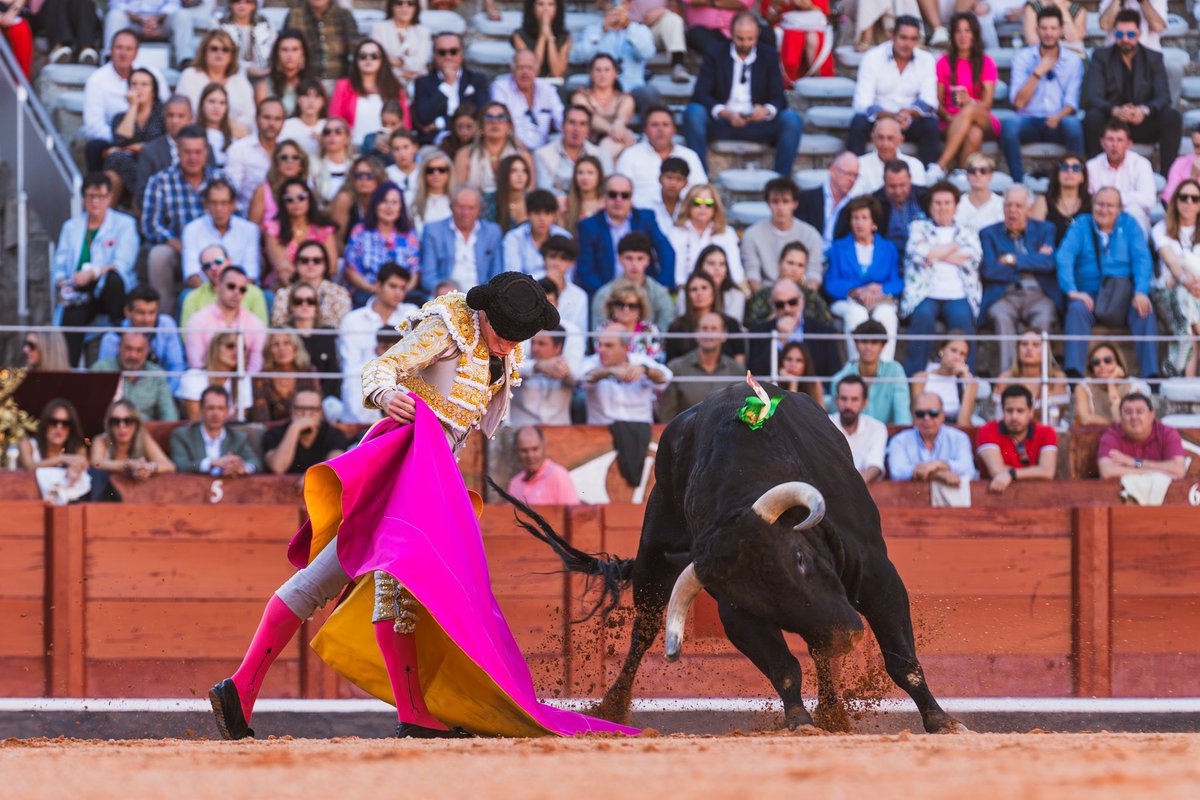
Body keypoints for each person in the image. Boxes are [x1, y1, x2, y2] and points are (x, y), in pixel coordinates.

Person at [210, 273, 633, 741]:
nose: (508, 345)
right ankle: (412, 715)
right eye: (504, 333)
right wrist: (385, 395)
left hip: (434, 478)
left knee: (337, 583)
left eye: (518, 337)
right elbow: (380, 368)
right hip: (403, 463)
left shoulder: (508, 348)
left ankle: (242, 688)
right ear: (486, 312)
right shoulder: (448, 326)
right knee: (393, 585)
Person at [683, 12, 804, 181]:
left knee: (792, 120)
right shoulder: (715, 53)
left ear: (757, 35)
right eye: (740, 39)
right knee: (693, 112)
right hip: (723, 121)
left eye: (750, 39)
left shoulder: (768, 55)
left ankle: (779, 183)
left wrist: (766, 111)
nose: (746, 44)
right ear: (731, 34)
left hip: (756, 123)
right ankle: (700, 179)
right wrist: (726, 113)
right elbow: (700, 94)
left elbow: (779, 98)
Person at [1056, 186, 1158, 379]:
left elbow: (1142, 259)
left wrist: (1141, 291)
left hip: (1122, 294)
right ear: (1092, 205)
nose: (1104, 210)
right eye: (1099, 204)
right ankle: (1074, 375)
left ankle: (1150, 374)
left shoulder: (1130, 225)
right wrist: (1072, 291)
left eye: (1110, 205)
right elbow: (1064, 256)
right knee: (1077, 309)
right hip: (1090, 293)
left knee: (1144, 309)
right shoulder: (1081, 224)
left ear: (1120, 208)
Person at [53, 173, 139, 366]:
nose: (95, 202)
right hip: (80, 290)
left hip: (110, 290)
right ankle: (69, 371)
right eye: (90, 196)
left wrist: (94, 273)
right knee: (72, 315)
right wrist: (62, 281)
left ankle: (118, 331)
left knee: (114, 279)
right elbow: (59, 265)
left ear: (110, 197)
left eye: (100, 196)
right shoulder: (71, 227)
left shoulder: (125, 224)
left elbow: (124, 262)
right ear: (83, 198)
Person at [1082, 9, 1181, 175]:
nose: (1125, 39)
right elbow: (1092, 96)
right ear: (1114, 34)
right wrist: (1115, 110)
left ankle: (1167, 180)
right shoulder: (1101, 57)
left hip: (1142, 123)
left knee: (1171, 117)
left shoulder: (1154, 58)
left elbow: (1163, 96)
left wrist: (1143, 110)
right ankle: (1095, 176)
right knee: (1092, 117)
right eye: (1120, 34)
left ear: (1139, 33)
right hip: (1111, 122)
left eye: (1130, 34)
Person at [141, 125, 226, 314]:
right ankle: (164, 318)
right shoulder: (161, 180)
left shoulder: (221, 178)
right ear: (177, 152)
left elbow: (234, 218)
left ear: (206, 152)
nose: (193, 157)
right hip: (178, 250)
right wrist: (175, 242)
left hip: (218, 251)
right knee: (158, 256)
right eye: (187, 152)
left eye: (198, 152)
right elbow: (150, 224)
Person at [901, 181, 982, 377]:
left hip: (958, 293)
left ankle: (964, 379)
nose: (942, 207)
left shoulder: (967, 229)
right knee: (923, 317)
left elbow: (974, 258)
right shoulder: (918, 227)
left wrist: (935, 252)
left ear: (955, 206)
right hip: (925, 293)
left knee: (963, 320)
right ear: (930, 206)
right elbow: (919, 254)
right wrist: (955, 247)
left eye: (947, 203)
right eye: (937, 203)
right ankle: (914, 378)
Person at [979, 185, 1062, 373]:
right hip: (1005, 295)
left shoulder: (1045, 230)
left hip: (1038, 295)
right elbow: (990, 270)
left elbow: (1049, 264)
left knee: (1045, 317)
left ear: (1029, 209)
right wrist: (1033, 261)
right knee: (1000, 316)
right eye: (1008, 205)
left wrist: (1012, 260)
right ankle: (1007, 377)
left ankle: (1042, 378)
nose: (1012, 211)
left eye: (1018, 206)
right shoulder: (989, 233)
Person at [1002, 5, 1085, 183]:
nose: (1049, 33)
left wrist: (1058, 116)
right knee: (1009, 126)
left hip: (1058, 120)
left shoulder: (1073, 61)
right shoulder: (1022, 58)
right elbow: (1018, 103)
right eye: (1044, 28)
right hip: (1029, 120)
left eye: (1053, 28)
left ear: (1061, 30)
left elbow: (1072, 102)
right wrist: (1037, 73)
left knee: (1074, 125)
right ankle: (1018, 183)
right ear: (1037, 30)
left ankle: (1077, 180)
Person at [848, 17, 940, 167]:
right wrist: (891, 117)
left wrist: (909, 113)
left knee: (931, 125)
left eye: (913, 39)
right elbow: (862, 103)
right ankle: (853, 171)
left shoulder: (926, 59)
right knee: (858, 122)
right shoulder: (872, 58)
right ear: (892, 35)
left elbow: (930, 102)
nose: (907, 44)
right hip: (879, 120)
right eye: (903, 37)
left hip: (909, 121)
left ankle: (926, 176)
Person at [338, 263, 420, 423]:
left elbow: (417, 362)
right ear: (378, 285)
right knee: (353, 379)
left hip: (403, 384)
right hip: (360, 391)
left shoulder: (411, 313)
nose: (398, 293)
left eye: (403, 288)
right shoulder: (353, 320)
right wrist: (379, 356)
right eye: (393, 286)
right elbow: (349, 367)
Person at [825, 195, 902, 362]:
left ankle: (885, 367)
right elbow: (831, 282)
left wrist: (880, 289)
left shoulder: (888, 248)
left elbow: (896, 281)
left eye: (864, 218)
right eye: (855, 218)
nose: (859, 223)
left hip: (880, 300)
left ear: (873, 223)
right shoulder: (838, 247)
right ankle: (856, 367)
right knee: (856, 313)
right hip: (848, 301)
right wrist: (857, 290)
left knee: (887, 314)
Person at [82, 29, 169, 173]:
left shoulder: (152, 74)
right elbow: (93, 126)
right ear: (110, 50)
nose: (123, 53)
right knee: (94, 148)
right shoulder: (96, 80)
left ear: (136, 53)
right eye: (119, 48)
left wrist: (144, 144)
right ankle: (97, 191)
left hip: (151, 134)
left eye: (129, 49)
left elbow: (165, 108)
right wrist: (122, 143)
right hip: (113, 134)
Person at [575, 174, 677, 295]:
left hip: (644, 293)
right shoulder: (588, 226)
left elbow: (666, 250)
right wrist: (609, 294)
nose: (619, 199)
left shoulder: (645, 219)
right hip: (606, 294)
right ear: (604, 196)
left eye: (625, 195)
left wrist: (661, 286)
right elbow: (585, 270)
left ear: (631, 198)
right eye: (613, 194)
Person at [928, 13, 997, 180]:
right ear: (952, 35)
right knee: (974, 133)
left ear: (975, 34)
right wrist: (951, 117)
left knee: (971, 108)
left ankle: (940, 165)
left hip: (982, 117)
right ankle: (961, 172)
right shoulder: (943, 63)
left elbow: (986, 104)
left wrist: (970, 102)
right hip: (950, 120)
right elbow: (938, 103)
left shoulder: (986, 62)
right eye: (958, 31)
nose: (963, 35)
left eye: (968, 31)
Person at [741, 178, 825, 295]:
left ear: (795, 204)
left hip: (800, 294)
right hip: (766, 293)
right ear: (768, 204)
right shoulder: (752, 234)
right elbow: (752, 273)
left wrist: (804, 299)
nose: (780, 208)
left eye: (785, 201)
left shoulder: (810, 235)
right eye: (775, 202)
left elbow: (814, 273)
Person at [98, 285, 187, 394]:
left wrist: (164, 396)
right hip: (123, 394)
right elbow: (106, 376)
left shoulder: (166, 324)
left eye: (152, 312)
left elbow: (176, 367)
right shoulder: (112, 338)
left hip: (161, 390)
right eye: (141, 313)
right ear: (127, 312)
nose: (147, 319)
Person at [344, 181, 422, 306]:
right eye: (384, 201)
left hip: (401, 294)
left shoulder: (409, 235)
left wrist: (400, 291)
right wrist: (374, 289)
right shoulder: (360, 231)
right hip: (367, 292)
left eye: (394, 202)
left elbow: (414, 272)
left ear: (401, 207)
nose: (389, 207)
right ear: (375, 205)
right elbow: (351, 270)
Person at [747, 278, 842, 379]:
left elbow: (834, 374)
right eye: (780, 305)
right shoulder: (758, 331)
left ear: (802, 301)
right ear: (773, 307)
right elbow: (755, 373)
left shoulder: (823, 331)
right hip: (773, 392)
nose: (787, 309)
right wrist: (780, 340)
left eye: (792, 302)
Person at [1152, 180, 1200, 376]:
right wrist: (1185, 280)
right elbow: (1170, 261)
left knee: (1188, 330)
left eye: (1195, 198)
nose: (1188, 202)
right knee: (1183, 297)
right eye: (1183, 197)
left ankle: (1183, 380)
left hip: (1194, 293)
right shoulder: (1161, 228)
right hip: (1169, 292)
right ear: (1175, 201)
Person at [579, 323, 673, 424]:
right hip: (602, 432)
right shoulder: (592, 362)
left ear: (626, 348)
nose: (601, 350)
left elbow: (666, 377)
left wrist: (645, 370)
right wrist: (610, 371)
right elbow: (582, 377)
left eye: (608, 346)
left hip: (640, 430)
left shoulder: (640, 360)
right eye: (600, 344)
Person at [614, 107, 707, 209]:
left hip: (682, 218)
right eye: (654, 125)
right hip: (641, 218)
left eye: (665, 125)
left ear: (674, 130)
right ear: (645, 130)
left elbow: (701, 191)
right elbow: (620, 190)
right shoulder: (630, 155)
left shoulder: (689, 156)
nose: (660, 129)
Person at [659, 311, 743, 420]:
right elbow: (667, 416)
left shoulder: (737, 371)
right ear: (696, 333)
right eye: (704, 328)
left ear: (724, 335)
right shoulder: (676, 368)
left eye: (714, 329)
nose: (708, 333)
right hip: (686, 435)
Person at [419, 186, 505, 294]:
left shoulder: (492, 232)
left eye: (471, 208)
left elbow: (497, 273)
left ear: (480, 209)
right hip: (446, 296)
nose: (466, 213)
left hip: (482, 296)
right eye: (461, 207)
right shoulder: (433, 231)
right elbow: (428, 276)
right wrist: (441, 288)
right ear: (451, 207)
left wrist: (486, 294)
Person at [975, 384, 1058, 493]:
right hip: (995, 496)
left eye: (1020, 411)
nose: (1014, 416)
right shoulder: (987, 430)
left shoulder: (1046, 432)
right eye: (1009, 411)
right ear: (1002, 411)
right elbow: (996, 471)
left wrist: (1011, 474)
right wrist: (1034, 472)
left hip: (1036, 496)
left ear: (1031, 411)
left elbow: (1047, 471)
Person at [454, 104, 535, 214]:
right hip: (474, 215)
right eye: (488, 118)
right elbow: (459, 193)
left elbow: (529, 193)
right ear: (481, 126)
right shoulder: (465, 155)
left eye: (501, 117)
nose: (495, 122)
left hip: (515, 213)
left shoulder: (522, 156)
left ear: (508, 125)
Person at [184, 264, 266, 375]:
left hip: (244, 384)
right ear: (218, 286)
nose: (237, 292)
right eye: (231, 286)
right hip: (206, 382)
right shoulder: (198, 321)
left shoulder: (256, 324)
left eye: (242, 289)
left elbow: (256, 369)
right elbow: (197, 365)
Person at [181, 179, 262, 290]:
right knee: (185, 296)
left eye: (224, 203)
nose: (219, 209)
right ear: (206, 204)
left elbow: (251, 274)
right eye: (214, 203)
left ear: (233, 204)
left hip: (240, 292)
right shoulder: (192, 229)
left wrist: (231, 294)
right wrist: (216, 296)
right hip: (205, 291)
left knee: (266, 297)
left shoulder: (249, 230)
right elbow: (192, 274)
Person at [100, 67, 163, 208]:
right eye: (134, 84)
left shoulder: (162, 115)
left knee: (116, 157)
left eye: (144, 84)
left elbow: (161, 144)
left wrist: (140, 148)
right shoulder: (120, 118)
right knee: (115, 163)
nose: (138, 89)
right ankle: (143, 194)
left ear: (153, 90)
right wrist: (133, 107)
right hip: (129, 167)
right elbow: (120, 140)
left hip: (156, 166)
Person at [411, 32, 490, 145]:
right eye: (442, 52)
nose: (448, 57)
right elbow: (424, 117)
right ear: (434, 55)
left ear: (462, 53)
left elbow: (481, 115)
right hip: (434, 143)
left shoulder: (477, 80)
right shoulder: (423, 83)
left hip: (471, 141)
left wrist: (440, 122)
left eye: (453, 51)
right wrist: (447, 85)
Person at [574, 5, 658, 109]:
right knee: (580, 96)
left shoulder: (640, 30)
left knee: (649, 93)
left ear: (628, 5)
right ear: (604, 5)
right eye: (611, 3)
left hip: (633, 88)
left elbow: (648, 53)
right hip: (601, 89)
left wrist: (628, 27)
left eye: (620, 3)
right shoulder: (592, 30)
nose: (616, 8)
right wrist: (602, 30)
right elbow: (582, 56)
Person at [829, 320, 911, 425]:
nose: (868, 347)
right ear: (856, 344)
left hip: (889, 437)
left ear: (882, 346)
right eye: (864, 341)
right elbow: (837, 423)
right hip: (851, 438)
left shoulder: (895, 371)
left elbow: (902, 417)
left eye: (874, 342)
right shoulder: (839, 379)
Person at [331, 39, 408, 149]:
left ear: (382, 60)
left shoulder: (395, 88)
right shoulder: (343, 86)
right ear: (356, 60)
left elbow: (405, 124)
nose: (368, 59)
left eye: (374, 56)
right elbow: (334, 120)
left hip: (387, 150)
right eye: (363, 56)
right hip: (352, 149)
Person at [668, 184, 745, 295]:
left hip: (721, 292)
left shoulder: (727, 233)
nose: (702, 207)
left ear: (715, 207)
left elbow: (735, 271)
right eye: (697, 203)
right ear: (688, 205)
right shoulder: (675, 233)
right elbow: (675, 273)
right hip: (684, 291)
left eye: (709, 203)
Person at [591, 232, 676, 333]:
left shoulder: (660, 293)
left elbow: (665, 332)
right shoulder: (604, 294)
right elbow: (598, 333)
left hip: (651, 346)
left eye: (640, 258)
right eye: (629, 258)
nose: (634, 264)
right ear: (619, 259)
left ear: (648, 261)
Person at [264, 177, 339, 290]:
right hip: (284, 285)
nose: (296, 202)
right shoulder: (273, 229)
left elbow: (331, 267)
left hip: (319, 286)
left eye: (301, 197)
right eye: (289, 199)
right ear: (283, 203)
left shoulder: (324, 229)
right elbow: (281, 266)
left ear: (309, 199)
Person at [885, 392, 976, 485]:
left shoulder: (959, 438)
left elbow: (969, 470)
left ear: (943, 415)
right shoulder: (899, 441)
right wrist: (940, 474)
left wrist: (938, 464)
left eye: (933, 413)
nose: (927, 418)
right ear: (913, 416)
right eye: (920, 414)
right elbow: (897, 473)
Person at [177, 30, 257, 135]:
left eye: (225, 50)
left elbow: (249, 118)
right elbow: (182, 111)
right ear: (204, 51)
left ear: (232, 55)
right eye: (214, 49)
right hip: (196, 136)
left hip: (233, 137)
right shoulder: (190, 75)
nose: (219, 53)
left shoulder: (240, 81)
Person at [1086, 119, 1158, 235]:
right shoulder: (1091, 166)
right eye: (1110, 140)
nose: (1114, 145)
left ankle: (1136, 252)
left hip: (1133, 220)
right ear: (1102, 143)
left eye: (1120, 140)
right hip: (1101, 218)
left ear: (1128, 144)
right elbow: (1089, 199)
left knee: (1133, 211)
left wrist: (1115, 201)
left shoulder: (1141, 164)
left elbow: (1149, 199)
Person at [169, 385, 261, 474]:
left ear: (227, 412)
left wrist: (243, 468)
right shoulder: (182, 435)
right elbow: (180, 465)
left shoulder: (237, 437)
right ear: (201, 410)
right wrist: (210, 463)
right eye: (210, 408)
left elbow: (255, 463)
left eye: (220, 408)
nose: (215, 413)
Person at [91, 331, 179, 422]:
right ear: (118, 348)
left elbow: (169, 415)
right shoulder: (101, 369)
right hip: (111, 429)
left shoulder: (156, 374)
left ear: (147, 351)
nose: (133, 355)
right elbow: (91, 410)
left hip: (147, 432)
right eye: (128, 349)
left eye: (139, 350)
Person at [1097, 392, 1188, 480]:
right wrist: (1156, 473)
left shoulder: (1166, 433)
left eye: (1140, 411)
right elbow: (1107, 471)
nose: (1134, 417)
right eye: (1128, 412)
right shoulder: (1112, 435)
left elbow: (1178, 470)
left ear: (1151, 415)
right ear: (1120, 416)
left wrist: (1134, 462)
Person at [179, 243, 269, 327]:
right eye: (207, 266)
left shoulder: (254, 293)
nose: (214, 268)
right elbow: (188, 336)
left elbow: (261, 332)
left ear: (229, 261)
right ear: (203, 271)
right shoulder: (192, 298)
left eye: (218, 261)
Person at [665, 269, 745, 363]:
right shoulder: (676, 327)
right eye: (693, 289)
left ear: (713, 292)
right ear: (687, 295)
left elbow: (739, 364)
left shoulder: (731, 324)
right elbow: (671, 366)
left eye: (704, 288)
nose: (699, 293)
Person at [571, 54, 638, 166]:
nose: (602, 74)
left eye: (607, 70)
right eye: (598, 70)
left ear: (615, 73)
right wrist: (612, 129)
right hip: (586, 142)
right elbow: (589, 117)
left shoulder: (625, 98)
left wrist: (618, 125)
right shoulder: (580, 96)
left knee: (619, 141)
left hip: (616, 143)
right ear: (591, 73)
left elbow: (622, 118)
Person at [262, 389, 349, 475]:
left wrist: (312, 476)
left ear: (321, 413)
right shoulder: (273, 434)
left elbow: (333, 467)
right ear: (291, 411)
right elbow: (278, 468)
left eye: (313, 409)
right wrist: (295, 428)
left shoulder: (334, 435)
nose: (306, 414)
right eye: (300, 409)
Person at [492, 50, 565, 152]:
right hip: (511, 148)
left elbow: (561, 119)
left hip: (544, 152)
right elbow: (502, 124)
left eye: (529, 68)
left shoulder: (547, 89)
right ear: (512, 70)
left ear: (536, 71)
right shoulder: (501, 88)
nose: (525, 72)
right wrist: (524, 153)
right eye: (520, 67)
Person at [992, 328, 1070, 423]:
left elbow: (1057, 415)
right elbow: (1000, 419)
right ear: (1018, 349)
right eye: (1024, 344)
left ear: (1046, 350)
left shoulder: (1057, 378)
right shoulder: (1005, 378)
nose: (1029, 348)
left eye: (1035, 345)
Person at [132, 95, 194, 213]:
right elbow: (141, 195)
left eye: (181, 116)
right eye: (170, 115)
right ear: (164, 118)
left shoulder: (203, 148)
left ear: (191, 119)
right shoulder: (150, 151)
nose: (175, 121)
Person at [535, 105, 612, 198]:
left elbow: (608, 189)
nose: (576, 129)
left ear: (589, 130)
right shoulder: (542, 154)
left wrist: (562, 186)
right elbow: (545, 192)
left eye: (582, 124)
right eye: (571, 123)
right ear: (562, 126)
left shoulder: (601, 155)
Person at [282, 280, 342, 399]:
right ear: (291, 307)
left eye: (310, 301)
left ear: (316, 306)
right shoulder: (284, 334)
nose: (305, 305)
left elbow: (332, 372)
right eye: (298, 301)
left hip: (325, 398)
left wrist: (320, 399)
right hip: (291, 397)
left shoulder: (327, 333)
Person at [225, 98, 286, 215]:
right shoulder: (239, 149)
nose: (272, 123)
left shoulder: (288, 150)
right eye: (267, 118)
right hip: (247, 216)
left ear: (283, 122)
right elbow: (231, 190)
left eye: (277, 119)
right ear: (257, 119)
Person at [89, 398, 175, 480]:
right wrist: (128, 465)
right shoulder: (101, 439)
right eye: (115, 421)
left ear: (136, 423)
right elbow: (96, 463)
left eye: (128, 421)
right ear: (109, 425)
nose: (122, 426)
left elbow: (169, 465)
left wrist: (148, 467)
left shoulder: (143, 437)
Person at [510, 326, 576, 426]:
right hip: (521, 430)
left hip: (559, 433)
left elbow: (581, 378)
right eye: (533, 343)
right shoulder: (520, 362)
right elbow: (510, 370)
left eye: (542, 344)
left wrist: (566, 375)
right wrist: (538, 366)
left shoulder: (567, 363)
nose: (534, 348)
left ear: (558, 347)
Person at [1074, 341, 1151, 425]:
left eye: (1108, 360)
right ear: (1091, 367)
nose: (1102, 365)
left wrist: (1111, 385)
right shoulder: (1084, 387)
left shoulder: (1134, 386)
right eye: (1096, 362)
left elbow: (1130, 421)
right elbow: (1085, 419)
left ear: (1118, 363)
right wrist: (1114, 424)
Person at [249, 332, 321, 423]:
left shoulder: (308, 372)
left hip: (307, 425)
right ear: (269, 350)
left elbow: (316, 408)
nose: (282, 349)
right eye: (275, 344)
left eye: (287, 343)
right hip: (272, 433)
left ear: (295, 347)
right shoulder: (261, 377)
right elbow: (261, 418)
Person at [908, 334, 979, 425]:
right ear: (941, 351)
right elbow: (918, 419)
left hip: (955, 432)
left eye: (962, 354)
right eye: (953, 350)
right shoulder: (921, 378)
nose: (957, 357)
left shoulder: (969, 382)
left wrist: (968, 383)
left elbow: (964, 424)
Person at [103, 0, 192, 70]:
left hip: (161, 21)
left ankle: (185, 60)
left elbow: (174, 4)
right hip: (132, 20)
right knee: (115, 15)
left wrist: (156, 21)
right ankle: (110, 58)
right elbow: (116, 4)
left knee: (183, 15)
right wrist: (140, 21)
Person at [796, 151, 860, 249]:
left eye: (855, 175)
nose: (852, 179)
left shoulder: (855, 206)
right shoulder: (805, 198)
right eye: (848, 174)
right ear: (832, 170)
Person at [830, 375, 887, 483]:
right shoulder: (824, 425)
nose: (848, 405)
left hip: (864, 489)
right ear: (837, 400)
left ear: (864, 403)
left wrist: (859, 482)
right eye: (843, 398)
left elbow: (875, 465)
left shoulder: (877, 428)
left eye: (854, 399)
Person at [867, 159, 927, 261]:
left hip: (923, 256)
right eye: (892, 186)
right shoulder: (874, 202)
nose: (898, 191)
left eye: (902, 185)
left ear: (910, 179)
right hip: (887, 258)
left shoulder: (925, 197)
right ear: (884, 181)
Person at [283, 0, 358, 81]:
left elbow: (355, 47)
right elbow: (284, 47)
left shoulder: (344, 15)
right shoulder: (295, 16)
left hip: (339, 80)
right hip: (305, 83)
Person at [502, 190, 570, 278]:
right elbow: (513, 278)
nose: (542, 219)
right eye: (537, 213)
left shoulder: (565, 237)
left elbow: (567, 277)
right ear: (528, 214)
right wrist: (547, 276)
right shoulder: (513, 238)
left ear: (554, 216)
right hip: (523, 291)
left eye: (547, 213)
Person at [506, 425, 579, 504]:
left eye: (535, 449)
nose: (530, 455)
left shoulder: (558, 475)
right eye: (524, 450)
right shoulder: (515, 482)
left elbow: (573, 514)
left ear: (544, 447)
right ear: (516, 452)